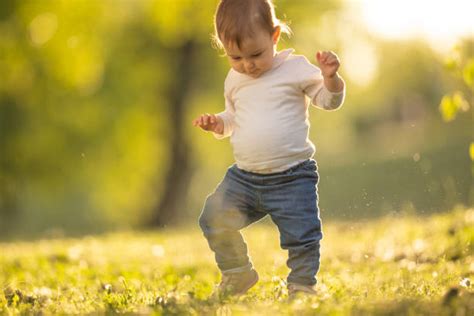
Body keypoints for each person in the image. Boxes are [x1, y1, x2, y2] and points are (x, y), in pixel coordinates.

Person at [192, 0, 345, 298]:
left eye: (256, 54)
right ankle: (237, 273)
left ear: (274, 36)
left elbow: (328, 101)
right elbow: (234, 118)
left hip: (292, 177)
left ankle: (302, 285)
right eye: (235, 57)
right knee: (213, 217)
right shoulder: (234, 80)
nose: (247, 64)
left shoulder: (295, 69)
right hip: (245, 179)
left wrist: (330, 79)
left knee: (302, 236)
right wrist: (217, 123)